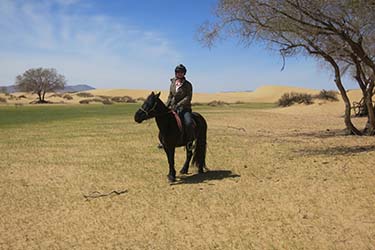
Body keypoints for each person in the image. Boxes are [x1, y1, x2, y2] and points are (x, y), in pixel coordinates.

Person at [165, 64, 194, 151]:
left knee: (188, 123)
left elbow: (188, 98)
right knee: (165, 122)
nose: (179, 74)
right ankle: (164, 141)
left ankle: (189, 143)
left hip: (185, 109)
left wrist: (179, 105)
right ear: (175, 73)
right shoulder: (173, 84)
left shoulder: (188, 85)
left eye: (181, 72)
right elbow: (170, 96)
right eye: (178, 72)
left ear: (184, 73)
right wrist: (166, 106)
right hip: (173, 108)